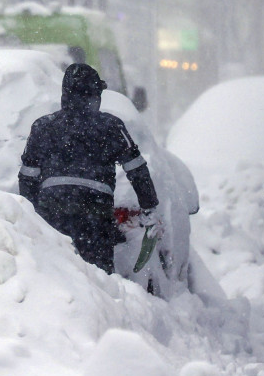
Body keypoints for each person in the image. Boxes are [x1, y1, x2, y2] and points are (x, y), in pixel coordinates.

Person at [19, 63, 161, 274]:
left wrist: (30, 214)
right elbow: (136, 169)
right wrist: (149, 206)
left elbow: (27, 177)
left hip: (52, 211)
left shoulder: (43, 126)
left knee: (54, 273)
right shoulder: (111, 126)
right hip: (95, 212)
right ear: (95, 94)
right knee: (99, 279)